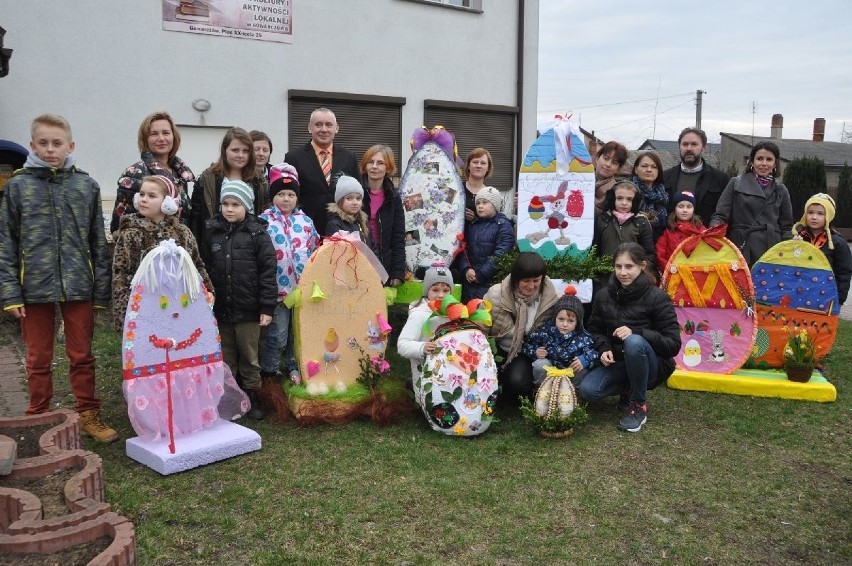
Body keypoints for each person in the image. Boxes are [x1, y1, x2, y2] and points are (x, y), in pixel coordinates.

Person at [0, 114, 117, 442]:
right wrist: (9, 294)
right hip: (32, 288)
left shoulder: (86, 186)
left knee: (81, 356)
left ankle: (89, 413)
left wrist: (101, 292)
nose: (51, 150)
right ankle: (39, 416)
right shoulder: (18, 187)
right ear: (33, 145)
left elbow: (98, 241)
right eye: (44, 143)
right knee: (38, 357)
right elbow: (6, 243)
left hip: (79, 285)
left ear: (70, 146)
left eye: (57, 143)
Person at [580, 243, 681, 433]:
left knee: (633, 342)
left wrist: (637, 332)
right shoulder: (603, 295)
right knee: (588, 390)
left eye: (629, 267)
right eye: (618, 266)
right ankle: (629, 389)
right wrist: (603, 348)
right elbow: (594, 329)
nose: (623, 272)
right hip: (618, 362)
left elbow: (673, 345)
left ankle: (638, 406)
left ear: (642, 266)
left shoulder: (658, 297)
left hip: (653, 365)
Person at [201, 180, 277, 420]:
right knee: (226, 354)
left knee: (249, 355)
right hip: (221, 308)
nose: (229, 209)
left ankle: (252, 395)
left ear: (247, 206)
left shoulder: (258, 234)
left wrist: (266, 306)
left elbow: (267, 271)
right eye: (225, 203)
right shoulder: (211, 231)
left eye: (235, 204)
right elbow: (204, 267)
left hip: (248, 309)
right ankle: (228, 397)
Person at [111, 175, 213, 332]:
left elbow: (197, 265)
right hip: (144, 310)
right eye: (142, 194)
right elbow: (121, 275)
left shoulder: (182, 233)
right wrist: (125, 313)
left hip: (179, 307)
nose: (144, 199)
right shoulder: (130, 234)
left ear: (168, 203)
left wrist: (207, 291)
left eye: (151, 196)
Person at [258, 164, 320, 382]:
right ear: (273, 196)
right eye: (281, 194)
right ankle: (270, 370)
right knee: (278, 334)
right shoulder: (264, 221)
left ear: (297, 197)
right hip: (278, 291)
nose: (286, 199)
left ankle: (294, 366)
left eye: (291, 194)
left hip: (302, 289)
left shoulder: (305, 222)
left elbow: (314, 250)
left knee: (299, 331)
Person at [484, 252, 559, 401]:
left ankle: (515, 387)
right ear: (515, 278)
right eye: (526, 281)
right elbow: (481, 326)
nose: (531, 286)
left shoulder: (550, 298)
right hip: (496, 348)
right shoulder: (495, 294)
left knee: (517, 383)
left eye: (536, 280)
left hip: (525, 352)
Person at [710, 141, 793, 265]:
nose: (764, 163)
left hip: (771, 250)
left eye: (769, 159)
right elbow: (721, 215)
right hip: (741, 246)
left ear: (775, 163)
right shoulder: (735, 183)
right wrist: (713, 231)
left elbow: (786, 227)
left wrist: (790, 249)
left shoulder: (781, 190)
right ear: (752, 161)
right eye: (759, 158)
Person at [111, 111, 196, 233]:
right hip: (145, 246)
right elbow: (119, 224)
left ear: (174, 137)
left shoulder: (180, 175)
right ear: (145, 140)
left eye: (166, 133)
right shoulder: (134, 173)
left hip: (177, 246)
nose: (161, 138)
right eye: (154, 134)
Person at [284, 108, 360, 235]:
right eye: (318, 124)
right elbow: (288, 194)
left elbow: (358, 193)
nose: (324, 129)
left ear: (336, 128)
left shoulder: (349, 157)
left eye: (329, 125)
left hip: (342, 230)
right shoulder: (293, 158)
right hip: (305, 231)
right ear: (309, 128)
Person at [190, 127, 267, 242]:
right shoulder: (207, 179)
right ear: (225, 150)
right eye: (235, 150)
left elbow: (263, 215)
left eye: (245, 151)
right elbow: (195, 219)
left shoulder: (258, 180)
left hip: (249, 249)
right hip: (214, 248)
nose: (240, 155)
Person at [521, 286, 599, 387]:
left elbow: (595, 353)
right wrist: (535, 352)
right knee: (540, 365)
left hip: (570, 371)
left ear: (578, 322)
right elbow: (526, 345)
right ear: (555, 318)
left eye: (570, 321)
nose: (565, 324)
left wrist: (584, 359)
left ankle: (573, 394)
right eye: (561, 319)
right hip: (550, 371)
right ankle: (542, 390)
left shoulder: (583, 338)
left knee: (582, 369)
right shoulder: (545, 332)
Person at [397, 263, 454, 386]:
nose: (441, 295)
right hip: (424, 376)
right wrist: (422, 348)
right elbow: (402, 345)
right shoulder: (419, 315)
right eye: (435, 290)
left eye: (446, 290)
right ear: (426, 291)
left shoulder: (454, 315)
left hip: (448, 374)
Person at [456, 187, 514, 301]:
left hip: (490, 284)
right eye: (477, 203)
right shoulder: (473, 225)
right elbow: (463, 249)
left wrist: (482, 275)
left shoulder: (503, 225)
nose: (480, 206)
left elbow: (501, 253)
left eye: (485, 202)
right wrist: (466, 269)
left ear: (495, 205)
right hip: (469, 283)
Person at [792, 193, 852, 304]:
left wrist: (839, 299)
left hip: (826, 296)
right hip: (799, 294)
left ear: (828, 216)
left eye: (820, 214)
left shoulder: (837, 243)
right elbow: (790, 266)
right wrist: (794, 248)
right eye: (810, 212)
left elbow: (844, 273)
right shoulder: (799, 238)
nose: (814, 217)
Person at [663, 127, 730, 223]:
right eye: (685, 144)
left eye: (694, 144)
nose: (689, 148)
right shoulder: (665, 177)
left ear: (703, 148)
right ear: (679, 147)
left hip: (705, 236)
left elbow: (726, 214)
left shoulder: (721, 179)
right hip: (670, 236)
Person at [593, 180, 656, 281]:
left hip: (633, 277)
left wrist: (642, 272)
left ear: (635, 202)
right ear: (612, 199)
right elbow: (595, 251)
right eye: (619, 198)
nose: (624, 203)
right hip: (605, 278)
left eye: (629, 199)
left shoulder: (641, 222)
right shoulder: (603, 220)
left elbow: (649, 253)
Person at [361, 144, 405, 287]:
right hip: (358, 261)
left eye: (380, 163)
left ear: (388, 168)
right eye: (370, 162)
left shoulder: (394, 198)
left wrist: (397, 272)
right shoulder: (355, 193)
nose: (374, 166)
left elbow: (398, 238)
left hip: (382, 263)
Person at [655, 191, 706, 271]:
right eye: (681, 206)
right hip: (674, 274)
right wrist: (670, 269)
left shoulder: (701, 230)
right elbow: (660, 253)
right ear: (675, 208)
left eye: (689, 207)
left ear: (693, 209)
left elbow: (706, 253)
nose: (685, 210)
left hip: (696, 273)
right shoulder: (668, 231)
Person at [631, 151, 669, 240]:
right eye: (644, 166)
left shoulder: (663, 196)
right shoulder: (628, 192)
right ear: (636, 169)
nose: (649, 170)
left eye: (654, 167)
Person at [325, 174, 370, 243]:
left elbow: (372, 247)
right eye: (349, 198)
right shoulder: (334, 224)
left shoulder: (363, 222)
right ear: (340, 201)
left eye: (358, 198)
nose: (355, 202)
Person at [593, 141, 629, 216]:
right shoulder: (581, 180)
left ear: (618, 168)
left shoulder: (616, 191)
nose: (608, 164)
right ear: (597, 158)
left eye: (614, 163)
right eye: (606, 158)